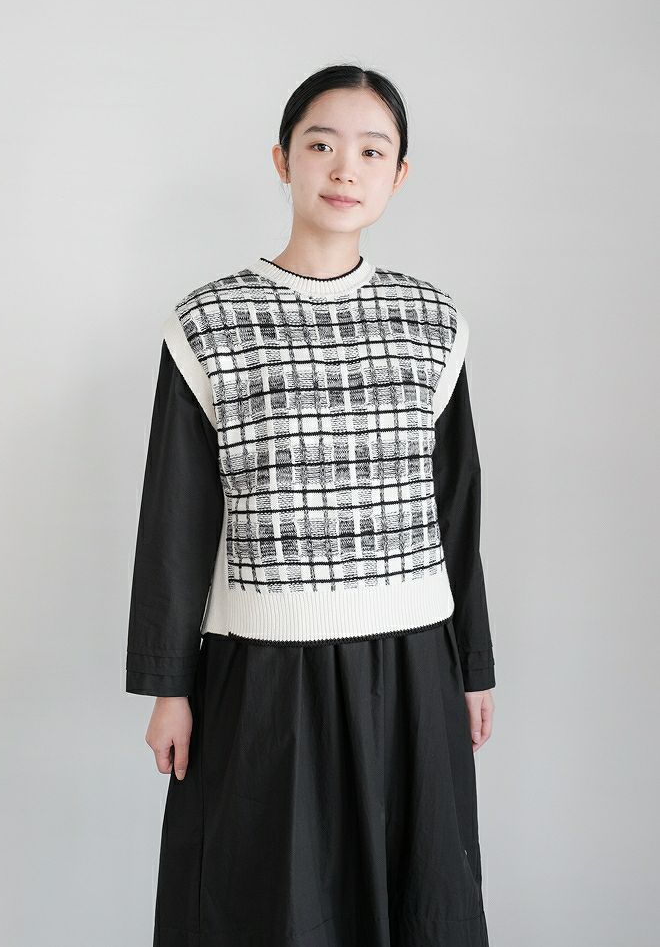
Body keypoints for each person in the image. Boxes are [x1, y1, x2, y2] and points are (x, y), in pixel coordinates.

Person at [125, 63, 496, 947]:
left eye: (372, 151)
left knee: (420, 902)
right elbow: (176, 519)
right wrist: (170, 688)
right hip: (265, 674)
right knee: (273, 909)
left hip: (413, 666)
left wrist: (474, 665)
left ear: (398, 174)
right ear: (282, 158)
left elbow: (456, 506)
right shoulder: (209, 323)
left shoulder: (433, 321)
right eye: (321, 144)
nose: (344, 169)